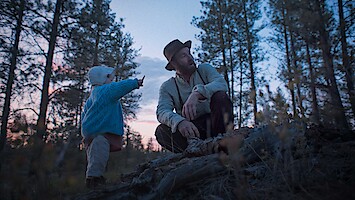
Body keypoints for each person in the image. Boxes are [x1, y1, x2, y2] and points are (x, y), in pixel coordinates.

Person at [155, 39, 234, 153]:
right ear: (173, 64)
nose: (190, 58)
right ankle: (193, 153)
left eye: (189, 54)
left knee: (221, 97)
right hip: (191, 131)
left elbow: (221, 84)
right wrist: (179, 122)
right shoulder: (168, 86)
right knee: (161, 131)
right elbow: (162, 111)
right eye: (183, 56)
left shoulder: (204, 70)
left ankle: (222, 146)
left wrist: (197, 93)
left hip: (216, 123)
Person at [81, 65, 144, 188]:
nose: (112, 80)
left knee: (94, 157)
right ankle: (94, 180)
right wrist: (135, 83)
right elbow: (120, 87)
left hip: (91, 132)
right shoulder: (105, 91)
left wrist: (85, 132)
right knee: (99, 156)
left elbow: (84, 115)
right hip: (100, 133)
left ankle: (94, 177)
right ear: (103, 78)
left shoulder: (92, 96)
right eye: (110, 77)